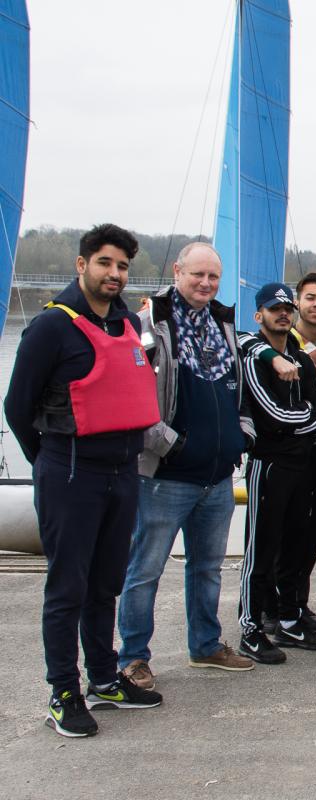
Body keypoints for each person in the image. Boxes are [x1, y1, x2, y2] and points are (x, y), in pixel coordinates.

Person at [4, 224, 163, 736]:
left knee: (105, 582)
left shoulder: (126, 323)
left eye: (122, 266)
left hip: (123, 471)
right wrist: (49, 462)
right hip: (71, 470)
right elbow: (17, 406)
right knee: (68, 587)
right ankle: (63, 692)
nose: (115, 274)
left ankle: (104, 678)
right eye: (105, 263)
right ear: (82, 264)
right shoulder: (52, 327)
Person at [116, 241, 254, 693]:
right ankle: (133, 657)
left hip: (217, 475)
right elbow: (131, 396)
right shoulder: (146, 323)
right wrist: (169, 446)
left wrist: (242, 434)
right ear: (177, 271)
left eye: (213, 277)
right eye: (198, 274)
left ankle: (206, 645)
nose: (206, 283)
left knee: (208, 568)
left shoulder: (223, 323)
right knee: (145, 570)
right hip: (165, 476)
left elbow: (238, 389)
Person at [239, 272, 316, 638]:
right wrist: (308, 416)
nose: (315, 305)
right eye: (309, 298)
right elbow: (275, 417)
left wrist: (308, 417)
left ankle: (293, 608)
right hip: (272, 460)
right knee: (265, 542)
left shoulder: (315, 348)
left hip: (311, 457)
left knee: (303, 536)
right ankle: (261, 615)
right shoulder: (254, 350)